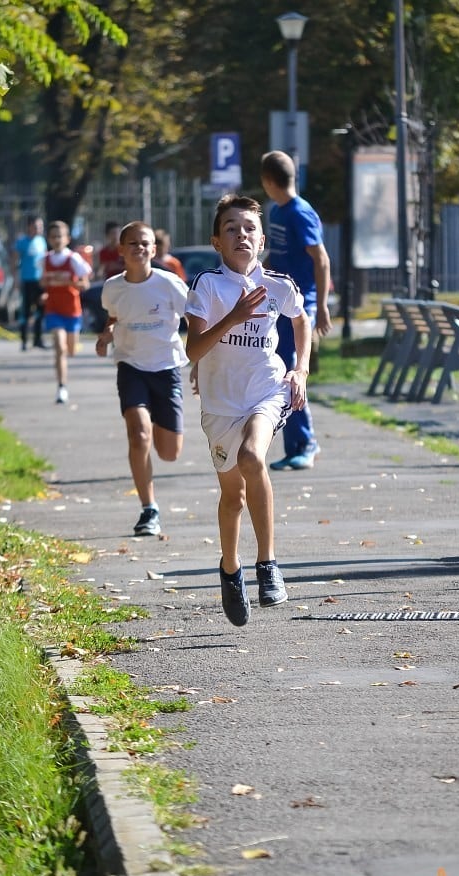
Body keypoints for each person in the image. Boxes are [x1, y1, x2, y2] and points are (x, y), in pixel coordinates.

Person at [185, 194, 311, 627]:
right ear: (217, 241)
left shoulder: (278, 283)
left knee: (254, 457)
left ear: (261, 241)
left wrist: (301, 369)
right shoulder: (207, 284)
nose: (242, 234)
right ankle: (230, 569)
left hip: (267, 390)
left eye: (249, 228)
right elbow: (194, 349)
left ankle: (268, 565)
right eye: (232, 228)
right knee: (231, 495)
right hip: (220, 404)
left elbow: (301, 318)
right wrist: (233, 318)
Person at [95, 221, 189, 537]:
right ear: (120, 250)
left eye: (145, 243)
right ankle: (149, 509)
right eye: (132, 243)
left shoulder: (170, 284)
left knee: (169, 452)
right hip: (130, 365)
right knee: (139, 435)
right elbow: (114, 315)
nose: (139, 248)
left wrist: (203, 361)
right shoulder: (112, 287)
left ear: (154, 248)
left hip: (166, 367)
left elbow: (197, 319)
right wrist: (106, 335)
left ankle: (162, 440)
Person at [260, 150, 332, 469]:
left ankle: (306, 443)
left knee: (291, 370)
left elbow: (321, 258)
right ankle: (294, 446)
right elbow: (277, 257)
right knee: (280, 370)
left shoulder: (299, 212)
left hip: (302, 303)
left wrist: (324, 306)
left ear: (267, 181)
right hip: (280, 300)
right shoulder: (277, 211)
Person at [40, 221, 92, 404]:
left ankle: (63, 381)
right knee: (59, 348)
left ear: (67, 239)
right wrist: (46, 291)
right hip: (53, 309)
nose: (56, 240)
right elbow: (42, 282)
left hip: (72, 310)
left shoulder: (74, 259)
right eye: (53, 236)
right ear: (49, 239)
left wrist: (68, 282)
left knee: (70, 350)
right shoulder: (45, 259)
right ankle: (62, 387)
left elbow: (85, 283)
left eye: (59, 236)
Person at [14, 215, 47, 350]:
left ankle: (38, 339)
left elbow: (45, 261)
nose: (39, 229)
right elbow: (14, 261)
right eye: (36, 226)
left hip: (40, 282)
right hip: (26, 281)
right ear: (29, 226)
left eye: (40, 226)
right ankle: (24, 341)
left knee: (41, 310)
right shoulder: (21, 242)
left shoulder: (42, 241)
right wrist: (16, 279)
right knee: (26, 312)